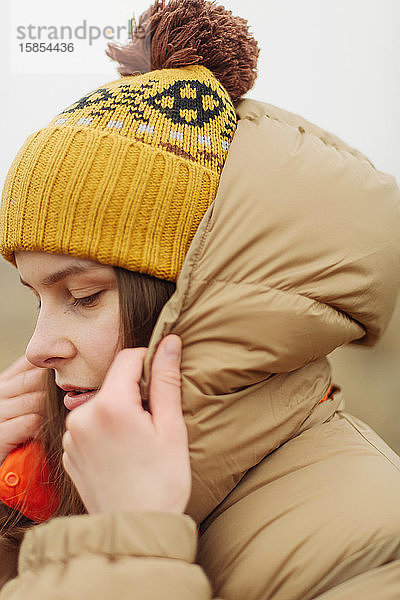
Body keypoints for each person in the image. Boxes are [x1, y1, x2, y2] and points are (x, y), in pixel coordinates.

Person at [0, 0, 400, 598]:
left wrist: (124, 543)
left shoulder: (377, 547)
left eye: (82, 295)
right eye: (38, 299)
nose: (36, 350)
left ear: (198, 298)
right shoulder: (50, 489)